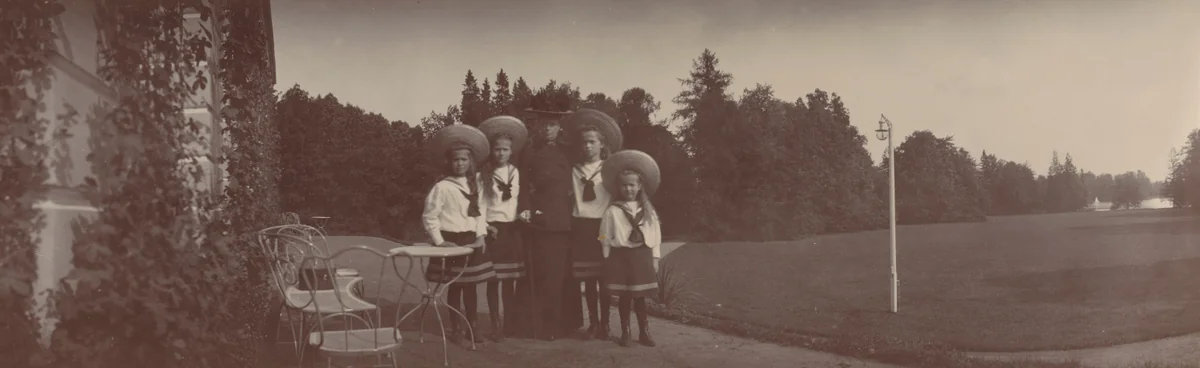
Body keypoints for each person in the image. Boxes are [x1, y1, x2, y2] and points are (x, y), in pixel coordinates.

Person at [422, 124, 494, 344]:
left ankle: (472, 326)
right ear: (449, 162)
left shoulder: (477, 185)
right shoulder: (442, 187)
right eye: (456, 160)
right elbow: (429, 216)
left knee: (471, 286)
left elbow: (480, 213)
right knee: (454, 285)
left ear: (471, 161)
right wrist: (440, 241)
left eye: (464, 159)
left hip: (470, 240)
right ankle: (455, 329)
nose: (460, 164)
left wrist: (480, 235)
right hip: (451, 240)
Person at [561, 108, 622, 339]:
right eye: (584, 142)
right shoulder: (574, 170)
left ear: (601, 144)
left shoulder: (610, 169)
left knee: (604, 278)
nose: (588, 146)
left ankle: (606, 323)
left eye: (592, 142)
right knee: (587, 278)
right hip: (581, 227)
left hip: (602, 229)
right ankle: (593, 323)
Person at [517, 106, 576, 341]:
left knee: (560, 274)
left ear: (560, 127)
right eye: (543, 125)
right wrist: (524, 208)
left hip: (565, 219)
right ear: (537, 126)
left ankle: (563, 324)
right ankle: (537, 325)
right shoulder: (529, 152)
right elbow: (521, 184)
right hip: (539, 219)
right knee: (541, 273)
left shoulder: (569, 151)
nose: (547, 129)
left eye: (552, 125)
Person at [598, 149, 662, 347]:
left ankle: (644, 331)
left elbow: (656, 235)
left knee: (640, 297)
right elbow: (603, 234)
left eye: (632, 185)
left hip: (641, 256)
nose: (628, 189)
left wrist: (655, 258)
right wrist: (606, 254)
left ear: (640, 185)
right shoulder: (613, 211)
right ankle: (625, 330)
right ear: (618, 187)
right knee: (625, 296)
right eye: (624, 186)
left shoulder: (648, 210)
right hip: (621, 256)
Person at [477, 115, 530, 342]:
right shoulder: (483, 176)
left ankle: (509, 323)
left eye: (505, 150)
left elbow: (520, 200)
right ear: (491, 151)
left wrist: (523, 212)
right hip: (494, 231)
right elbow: (478, 207)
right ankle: (495, 324)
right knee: (493, 280)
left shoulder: (516, 173)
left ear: (511, 151)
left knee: (510, 280)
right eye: (497, 149)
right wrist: (486, 226)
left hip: (512, 230)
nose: (501, 153)